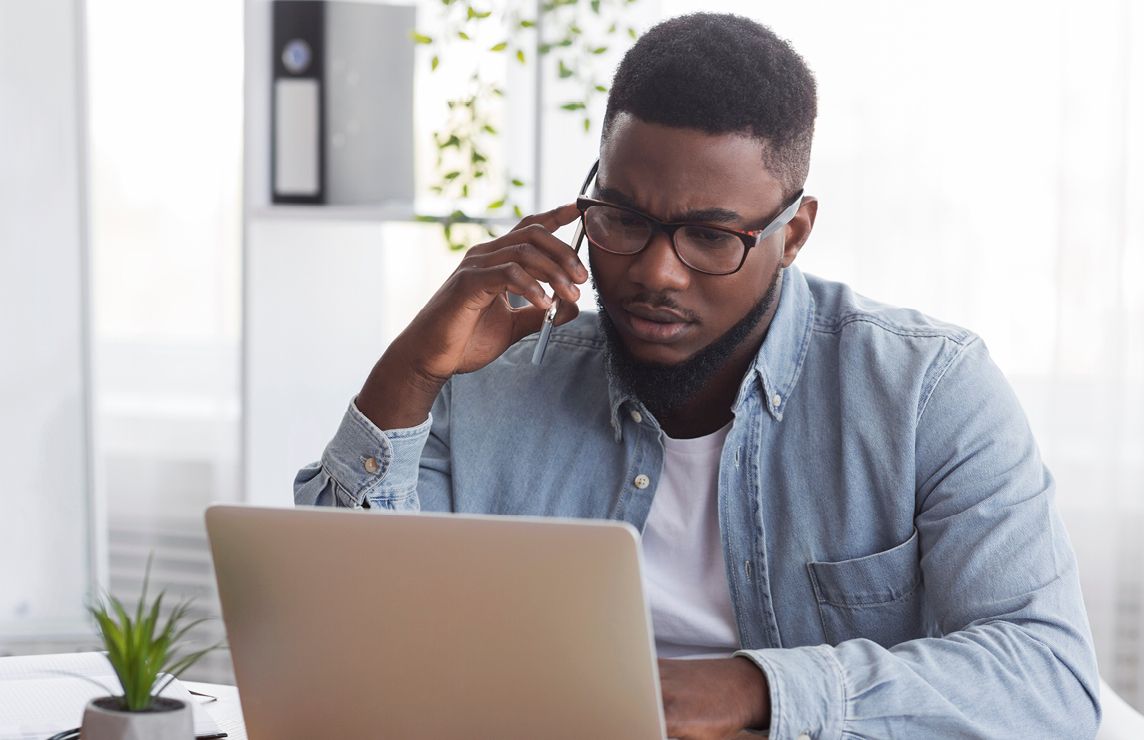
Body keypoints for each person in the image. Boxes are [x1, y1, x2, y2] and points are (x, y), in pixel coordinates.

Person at [295, 12, 1101, 739]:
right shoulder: (499, 369)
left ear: (794, 233)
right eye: (624, 218)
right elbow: (337, 634)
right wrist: (411, 370)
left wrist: (756, 688)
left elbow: (1046, 680)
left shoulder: (926, 391)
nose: (657, 272)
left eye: (711, 236)